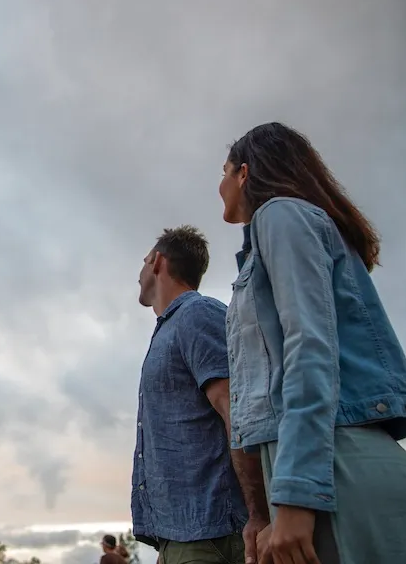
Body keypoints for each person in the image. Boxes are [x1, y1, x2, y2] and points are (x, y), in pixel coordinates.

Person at [219, 121, 406, 564]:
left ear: (245, 173)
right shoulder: (290, 227)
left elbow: (308, 348)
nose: (219, 185)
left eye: (224, 171)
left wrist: (295, 496)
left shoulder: (279, 214)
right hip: (338, 468)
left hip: (337, 471)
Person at [131, 226, 269, 564]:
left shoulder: (197, 315)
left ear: (158, 261)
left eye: (143, 261)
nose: (139, 272)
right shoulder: (169, 329)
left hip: (211, 533)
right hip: (180, 535)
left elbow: (236, 411)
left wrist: (259, 516)